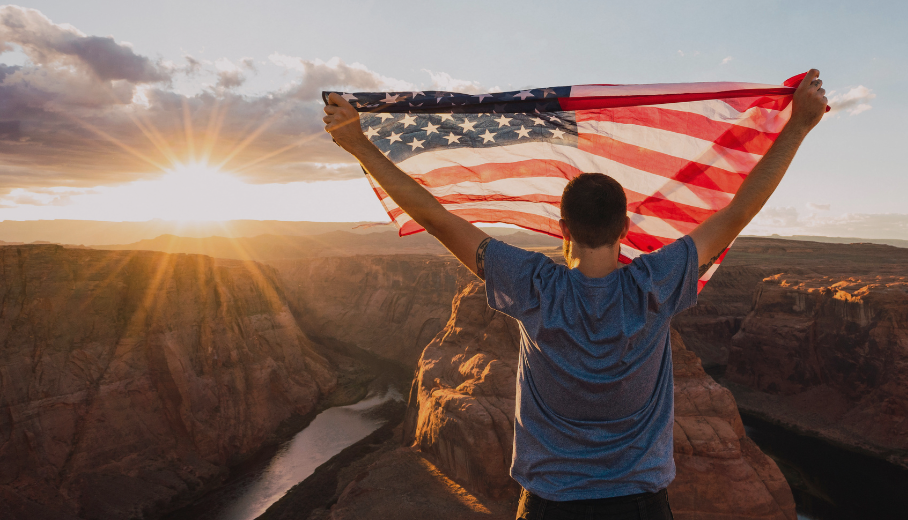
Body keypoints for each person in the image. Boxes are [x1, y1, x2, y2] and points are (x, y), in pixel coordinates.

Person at [323, 70, 828, 520]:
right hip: (641, 504)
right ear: (625, 227)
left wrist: (359, 144)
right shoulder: (657, 282)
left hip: (550, 506)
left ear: (561, 227)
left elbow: (436, 218)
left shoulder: (531, 285)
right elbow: (736, 213)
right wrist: (799, 126)